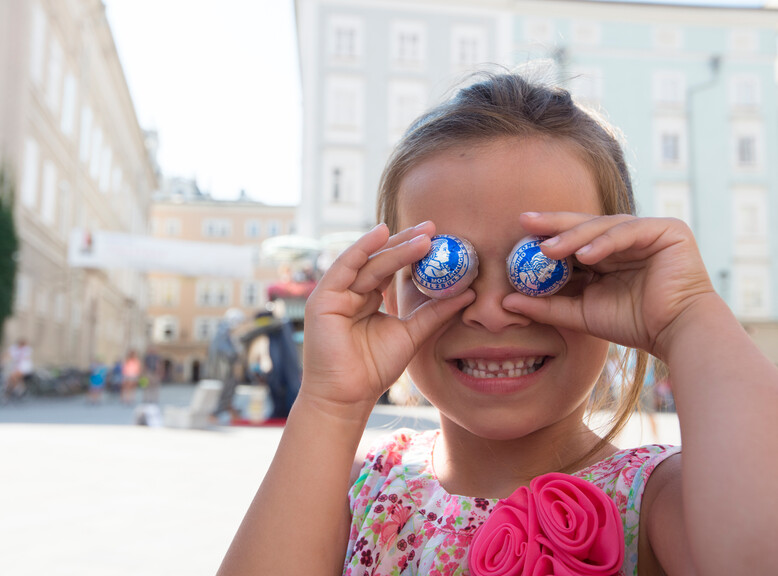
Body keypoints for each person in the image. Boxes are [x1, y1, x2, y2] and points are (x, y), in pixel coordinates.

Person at [216, 72, 778, 575]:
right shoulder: (357, 486)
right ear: (389, 290)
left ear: (612, 271)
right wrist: (331, 403)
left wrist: (689, 317)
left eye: (548, 263)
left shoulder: (661, 502)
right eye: (439, 268)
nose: (488, 310)